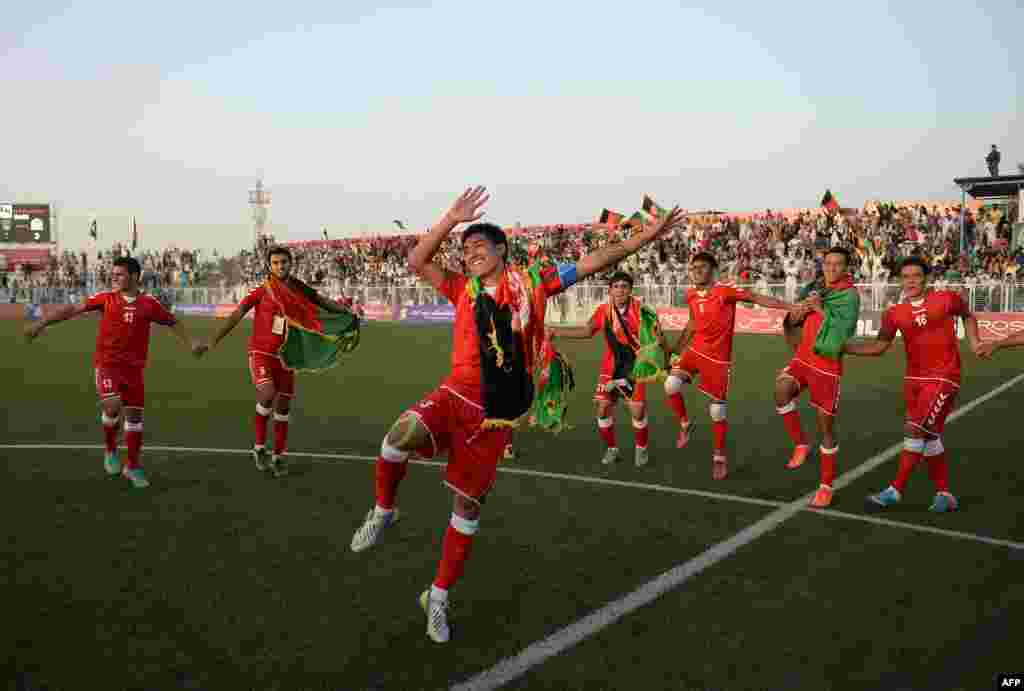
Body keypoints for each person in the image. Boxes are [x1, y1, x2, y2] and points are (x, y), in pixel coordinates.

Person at [349, 186, 685, 643]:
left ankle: (438, 598)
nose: (470, 255)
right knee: (397, 436)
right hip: (455, 393)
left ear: (502, 250)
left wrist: (646, 236)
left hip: (498, 412)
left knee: (467, 508)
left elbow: (600, 258)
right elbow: (416, 260)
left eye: (479, 246)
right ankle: (384, 510)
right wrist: (451, 218)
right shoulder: (460, 288)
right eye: (465, 250)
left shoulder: (534, 282)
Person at [23, 256, 201, 488]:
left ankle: (133, 466)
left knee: (135, 418)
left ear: (134, 277)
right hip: (107, 365)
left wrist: (191, 342)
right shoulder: (105, 299)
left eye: (119, 274)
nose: (114, 277)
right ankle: (110, 450)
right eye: (113, 274)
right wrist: (42, 323)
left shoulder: (149, 304)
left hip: (134, 370)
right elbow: (73, 310)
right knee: (113, 405)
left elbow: (172, 322)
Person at [199, 246, 357, 477]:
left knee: (283, 408)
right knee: (267, 393)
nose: (280, 266)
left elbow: (321, 301)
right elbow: (238, 313)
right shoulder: (263, 290)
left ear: (290, 263)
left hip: (286, 357)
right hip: (261, 353)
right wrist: (214, 340)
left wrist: (346, 312)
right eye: (275, 262)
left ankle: (278, 456)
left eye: (284, 262)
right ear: (268, 265)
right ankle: (260, 446)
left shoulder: (297, 287)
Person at [843, 257, 981, 512]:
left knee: (914, 429)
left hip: (943, 376)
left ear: (925, 278)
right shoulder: (894, 313)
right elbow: (878, 347)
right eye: (905, 277)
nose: (911, 281)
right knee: (928, 435)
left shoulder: (946, 299)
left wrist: (974, 341)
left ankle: (894, 490)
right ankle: (945, 494)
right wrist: (843, 348)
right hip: (913, 380)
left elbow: (968, 316)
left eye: (916, 276)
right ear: (900, 280)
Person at [664, 252, 800, 480]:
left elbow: (756, 298)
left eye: (703, 267)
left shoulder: (724, 290)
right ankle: (685, 424)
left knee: (717, 410)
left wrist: (789, 306)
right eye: (694, 267)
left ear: (713, 269)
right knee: (670, 385)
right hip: (695, 351)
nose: (697, 271)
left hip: (718, 359)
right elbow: (692, 323)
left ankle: (719, 457)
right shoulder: (690, 295)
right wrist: (676, 349)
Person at [547, 271, 670, 468]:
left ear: (630, 290)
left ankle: (641, 448)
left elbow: (658, 337)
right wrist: (556, 331)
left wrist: (666, 355)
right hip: (611, 366)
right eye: (616, 286)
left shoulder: (641, 310)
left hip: (635, 366)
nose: (620, 290)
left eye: (624, 286)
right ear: (610, 290)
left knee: (637, 411)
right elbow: (587, 331)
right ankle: (612, 449)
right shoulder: (604, 310)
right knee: (603, 408)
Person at [775, 247, 861, 508]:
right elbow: (794, 319)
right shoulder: (814, 287)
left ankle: (826, 485)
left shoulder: (849, 295)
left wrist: (821, 309)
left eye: (837, 265)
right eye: (828, 264)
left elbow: (843, 330)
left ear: (846, 268)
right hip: (803, 358)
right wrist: (796, 314)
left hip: (826, 365)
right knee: (781, 391)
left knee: (826, 427)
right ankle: (801, 444)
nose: (831, 268)